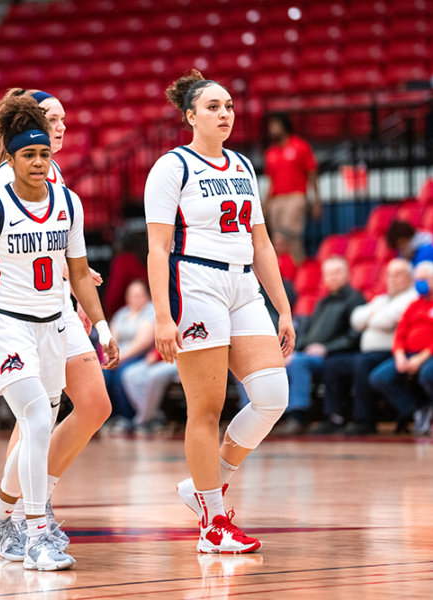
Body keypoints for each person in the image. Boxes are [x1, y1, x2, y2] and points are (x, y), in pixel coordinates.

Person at [0, 92, 118, 571]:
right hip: (10, 319)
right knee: (33, 417)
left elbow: (66, 261)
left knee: (88, 406)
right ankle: (33, 520)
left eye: (63, 123)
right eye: (50, 119)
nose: (59, 128)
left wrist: (84, 290)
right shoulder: (2, 190)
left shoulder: (62, 191)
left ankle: (4, 510)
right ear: (16, 146)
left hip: (57, 315)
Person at [145, 70, 295, 554]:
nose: (224, 113)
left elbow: (263, 242)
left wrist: (283, 308)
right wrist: (163, 317)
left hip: (243, 282)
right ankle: (212, 523)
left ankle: (207, 484)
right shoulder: (172, 167)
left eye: (228, 105)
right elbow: (157, 248)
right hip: (195, 282)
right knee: (205, 409)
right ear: (190, 116)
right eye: (212, 106)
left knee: (273, 395)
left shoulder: (244, 166)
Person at [323, 258, 417, 435]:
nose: (392, 279)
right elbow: (355, 319)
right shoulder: (382, 299)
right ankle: (335, 418)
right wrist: (373, 316)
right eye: (389, 274)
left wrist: (370, 317)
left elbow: (386, 320)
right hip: (369, 353)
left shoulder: (411, 296)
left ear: (409, 277)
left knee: (362, 363)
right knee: (333, 363)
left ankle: (365, 420)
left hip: (392, 352)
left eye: (397, 275)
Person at [276, 256, 365, 434]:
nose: (332, 277)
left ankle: (298, 417)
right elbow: (307, 333)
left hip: (333, 355)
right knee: (281, 362)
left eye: (337, 272)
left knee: (299, 364)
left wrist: (326, 348)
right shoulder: (322, 302)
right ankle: (274, 417)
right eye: (328, 274)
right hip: (310, 354)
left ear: (348, 274)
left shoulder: (355, 299)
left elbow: (354, 335)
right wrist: (294, 350)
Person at [369, 261, 433, 435]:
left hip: (429, 354)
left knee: (428, 374)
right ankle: (417, 410)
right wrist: (399, 355)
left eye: (425, 279)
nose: (420, 283)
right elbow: (400, 333)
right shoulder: (414, 305)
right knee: (379, 377)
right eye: (417, 279)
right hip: (408, 354)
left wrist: (422, 357)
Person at [263, 112, 320, 264]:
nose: (272, 129)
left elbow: (312, 174)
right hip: (276, 200)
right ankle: (284, 272)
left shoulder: (300, 146)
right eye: (270, 126)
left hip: (296, 197)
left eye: (275, 125)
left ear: (284, 125)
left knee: (290, 236)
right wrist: (266, 204)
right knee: (277, 240)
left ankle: (298, 270)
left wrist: (316, 201)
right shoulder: (271, 152)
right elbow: (271, 181)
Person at [103, 280, 155, 432]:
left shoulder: (150, 311)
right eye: (132, 295)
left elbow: (143, 341)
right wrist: (111, 354)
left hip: (139, 355)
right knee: (104, 373)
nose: (135, 299)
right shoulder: (122, 313)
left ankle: (126, 417)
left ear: (146, 296)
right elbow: (112, 337)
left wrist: (121, 357)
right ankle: (108, 417)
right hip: (118, 355)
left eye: (139, 295)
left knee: (122, 373)